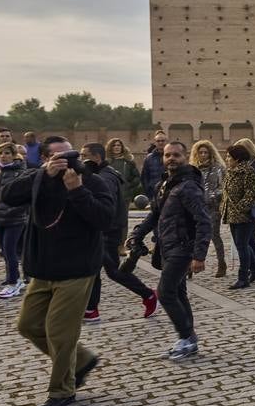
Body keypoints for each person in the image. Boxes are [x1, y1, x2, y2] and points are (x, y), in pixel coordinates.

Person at [0, 136, 115, 406]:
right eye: (60, 157)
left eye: (72, 154)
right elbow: (8, 196)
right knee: (27, 325)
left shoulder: (92, 181)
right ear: (45, 158)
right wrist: (44, 175)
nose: (69, 161)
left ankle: (62, 390)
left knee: (60, 333)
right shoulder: (38, 178)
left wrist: (77, 191)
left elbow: (105, 219)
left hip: (77, 269)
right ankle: (83, 360)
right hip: (43, 268)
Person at [129, 141, 211, 358]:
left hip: (183, 248)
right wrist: (137, 233)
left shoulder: (189, 186)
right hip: (167, 245)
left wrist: (199, 255)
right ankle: (189, 340)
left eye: (176, 155)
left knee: (165, 293)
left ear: (185, 157)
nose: (171, 158)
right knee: (179, 292)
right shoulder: (165, 184)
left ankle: (186, 337)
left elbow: (204, 221)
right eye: (167, 155)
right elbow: (155, 214)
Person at [81, 143, 159, 322]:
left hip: (107, 231)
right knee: (102, 269)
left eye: (84, 155)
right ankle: (91, 309)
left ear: (96, 157)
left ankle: (147, 294)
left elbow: (103, 206)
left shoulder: (104, 177)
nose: (81, 158)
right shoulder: (102, 173)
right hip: (106, 230)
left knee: (107, 270)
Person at [0, 143, 30, 298]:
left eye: (7, 153)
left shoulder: (21, 173)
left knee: (10, 249)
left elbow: (25, 197)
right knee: (4, 251)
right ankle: (11, 277)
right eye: (1, 153)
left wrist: (15, 210)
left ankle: (14, 281)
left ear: (13, 155)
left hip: (15, 217)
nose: (3, 156)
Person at [223, 143, 255, 289]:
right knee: (242, 245)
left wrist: (241, 208)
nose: (226, 159)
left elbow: (253, 193)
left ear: (238, 158)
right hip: (232, 215)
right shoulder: (230, 172)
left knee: (242, 245)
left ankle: (243, 278)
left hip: (245, 216)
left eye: (229, 156)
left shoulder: (248, 172)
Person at [191, 139, 228, 277]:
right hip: (197, 207)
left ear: (210, 153)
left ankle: (221, 263)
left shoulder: (218, 168)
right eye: (200, 152)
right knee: (194, 236)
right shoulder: (193, 169)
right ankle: (191, 264)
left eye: (206, 152)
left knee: (214, 235)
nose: (203, 155)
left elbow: (224, 187)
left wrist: (212, 195)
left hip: (213, 207)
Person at [232, 137, 255, 274]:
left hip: (254, 207)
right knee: (248, 238)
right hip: (244, 207)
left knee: (247, 238)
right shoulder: (244, 166)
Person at [106, 137, 141, 254]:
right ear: (110, 148)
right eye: (114, 145)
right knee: (108, 219)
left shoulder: (128, 162)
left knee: (122, 221)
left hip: (124, 195)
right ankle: (108, 244)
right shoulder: (106, 162)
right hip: (109, 195)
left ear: (122, 147)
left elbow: (136, 177)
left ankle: (121, 245)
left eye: (118, 145)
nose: (116, 147)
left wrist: (129, 186)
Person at [140, 130, 168, 202]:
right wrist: (147, 190)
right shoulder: (149, 158)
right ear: (155, 142)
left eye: (163, 141)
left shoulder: (172, 156)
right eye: (158, 141)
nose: (161, 143)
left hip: (169, 192)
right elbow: (144, 176)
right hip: (153, 193)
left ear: (166, 141)